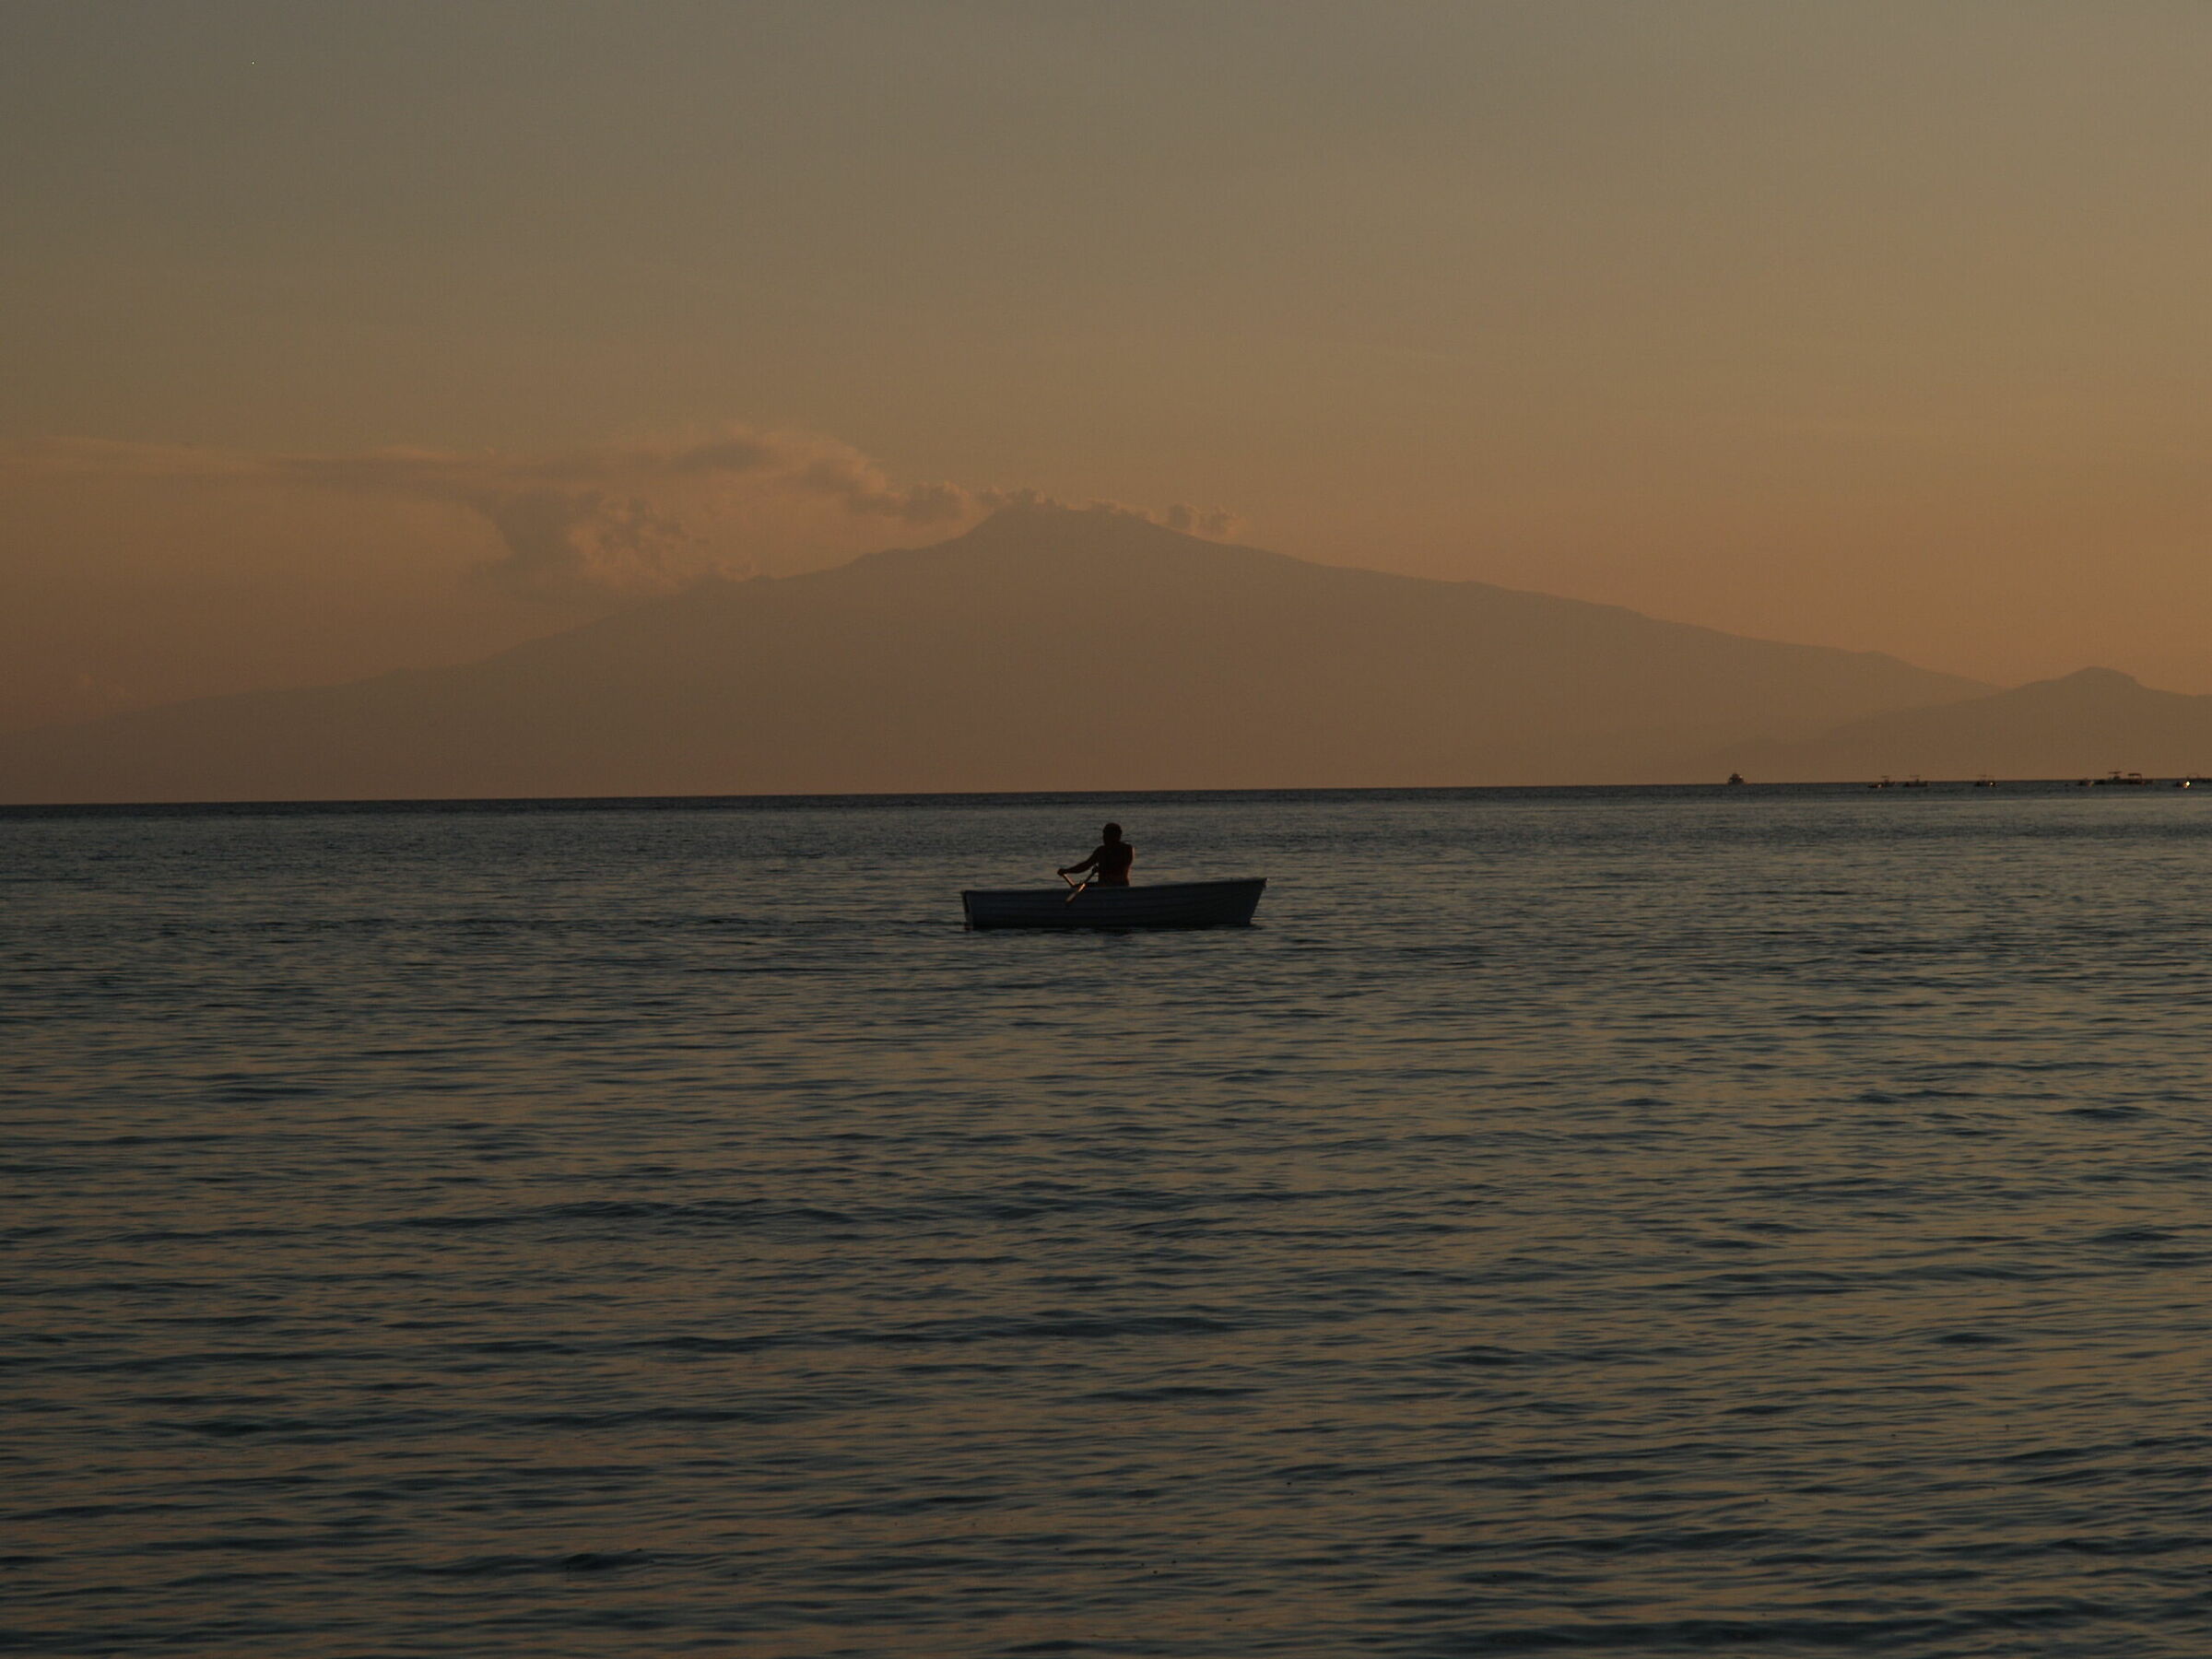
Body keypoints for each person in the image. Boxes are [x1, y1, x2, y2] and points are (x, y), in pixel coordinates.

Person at [1059, 823, 1134, 887]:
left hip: (1119, 885)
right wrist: (1067, 870)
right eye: (1104, 834)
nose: (1104, 838)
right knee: (1077, 886)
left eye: (1108, 835)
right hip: (1103, 886)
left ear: (1117, 836)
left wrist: (1101, 869)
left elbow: (1120, 868)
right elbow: (1085, 865)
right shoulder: (1101, 850)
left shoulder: (1126, 849)